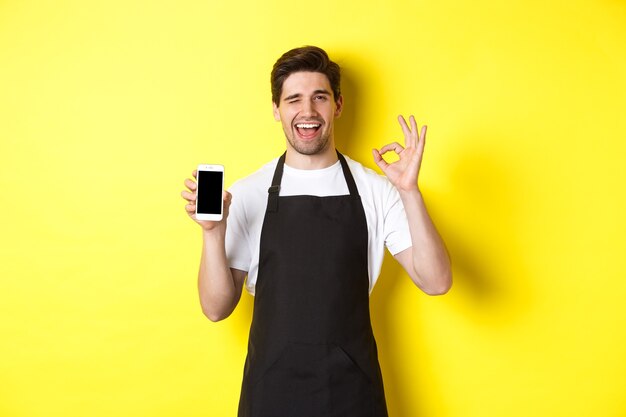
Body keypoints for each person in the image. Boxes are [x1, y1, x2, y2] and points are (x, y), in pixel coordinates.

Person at [181, 46, 452, 417]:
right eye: (293, 99)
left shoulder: (376, 189)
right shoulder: (247, 194)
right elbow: (215, 308)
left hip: (352, 395)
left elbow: (436, 281)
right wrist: (213, 232)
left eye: (319, 97)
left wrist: (409, 192)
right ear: (276, 109)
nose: (307, 111)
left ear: (337, 105)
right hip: (270, 395)